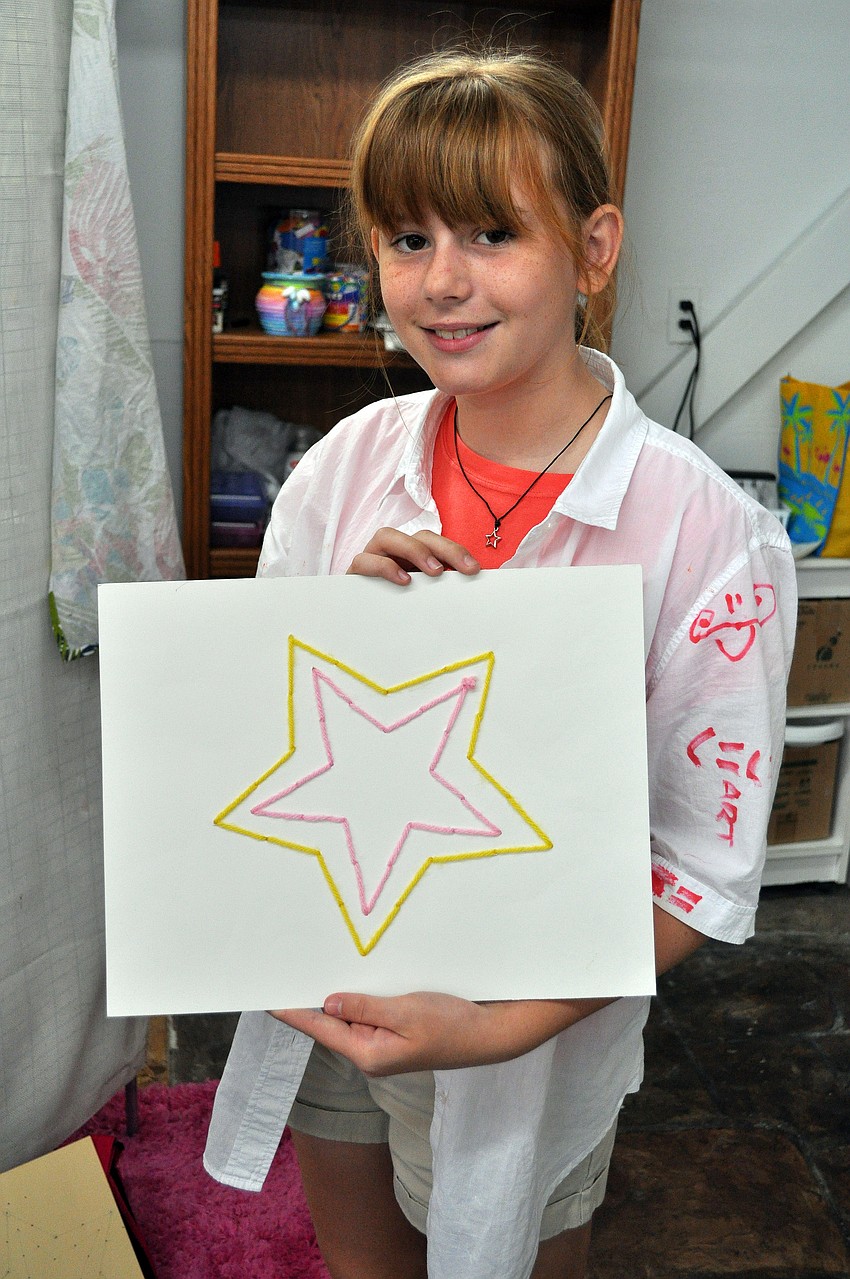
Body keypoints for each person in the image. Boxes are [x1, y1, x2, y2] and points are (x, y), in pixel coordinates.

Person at [204, 47, 796, 1279]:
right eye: (406, 238)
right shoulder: (346, 466)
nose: (443, 281)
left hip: (530, 1034)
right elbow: (246, 723)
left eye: (489, 231)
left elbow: (698, 866)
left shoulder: (698, 528)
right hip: (330, 982)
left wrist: (494, 1029)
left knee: (517, 1253)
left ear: (592, 248)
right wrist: (332, 631)